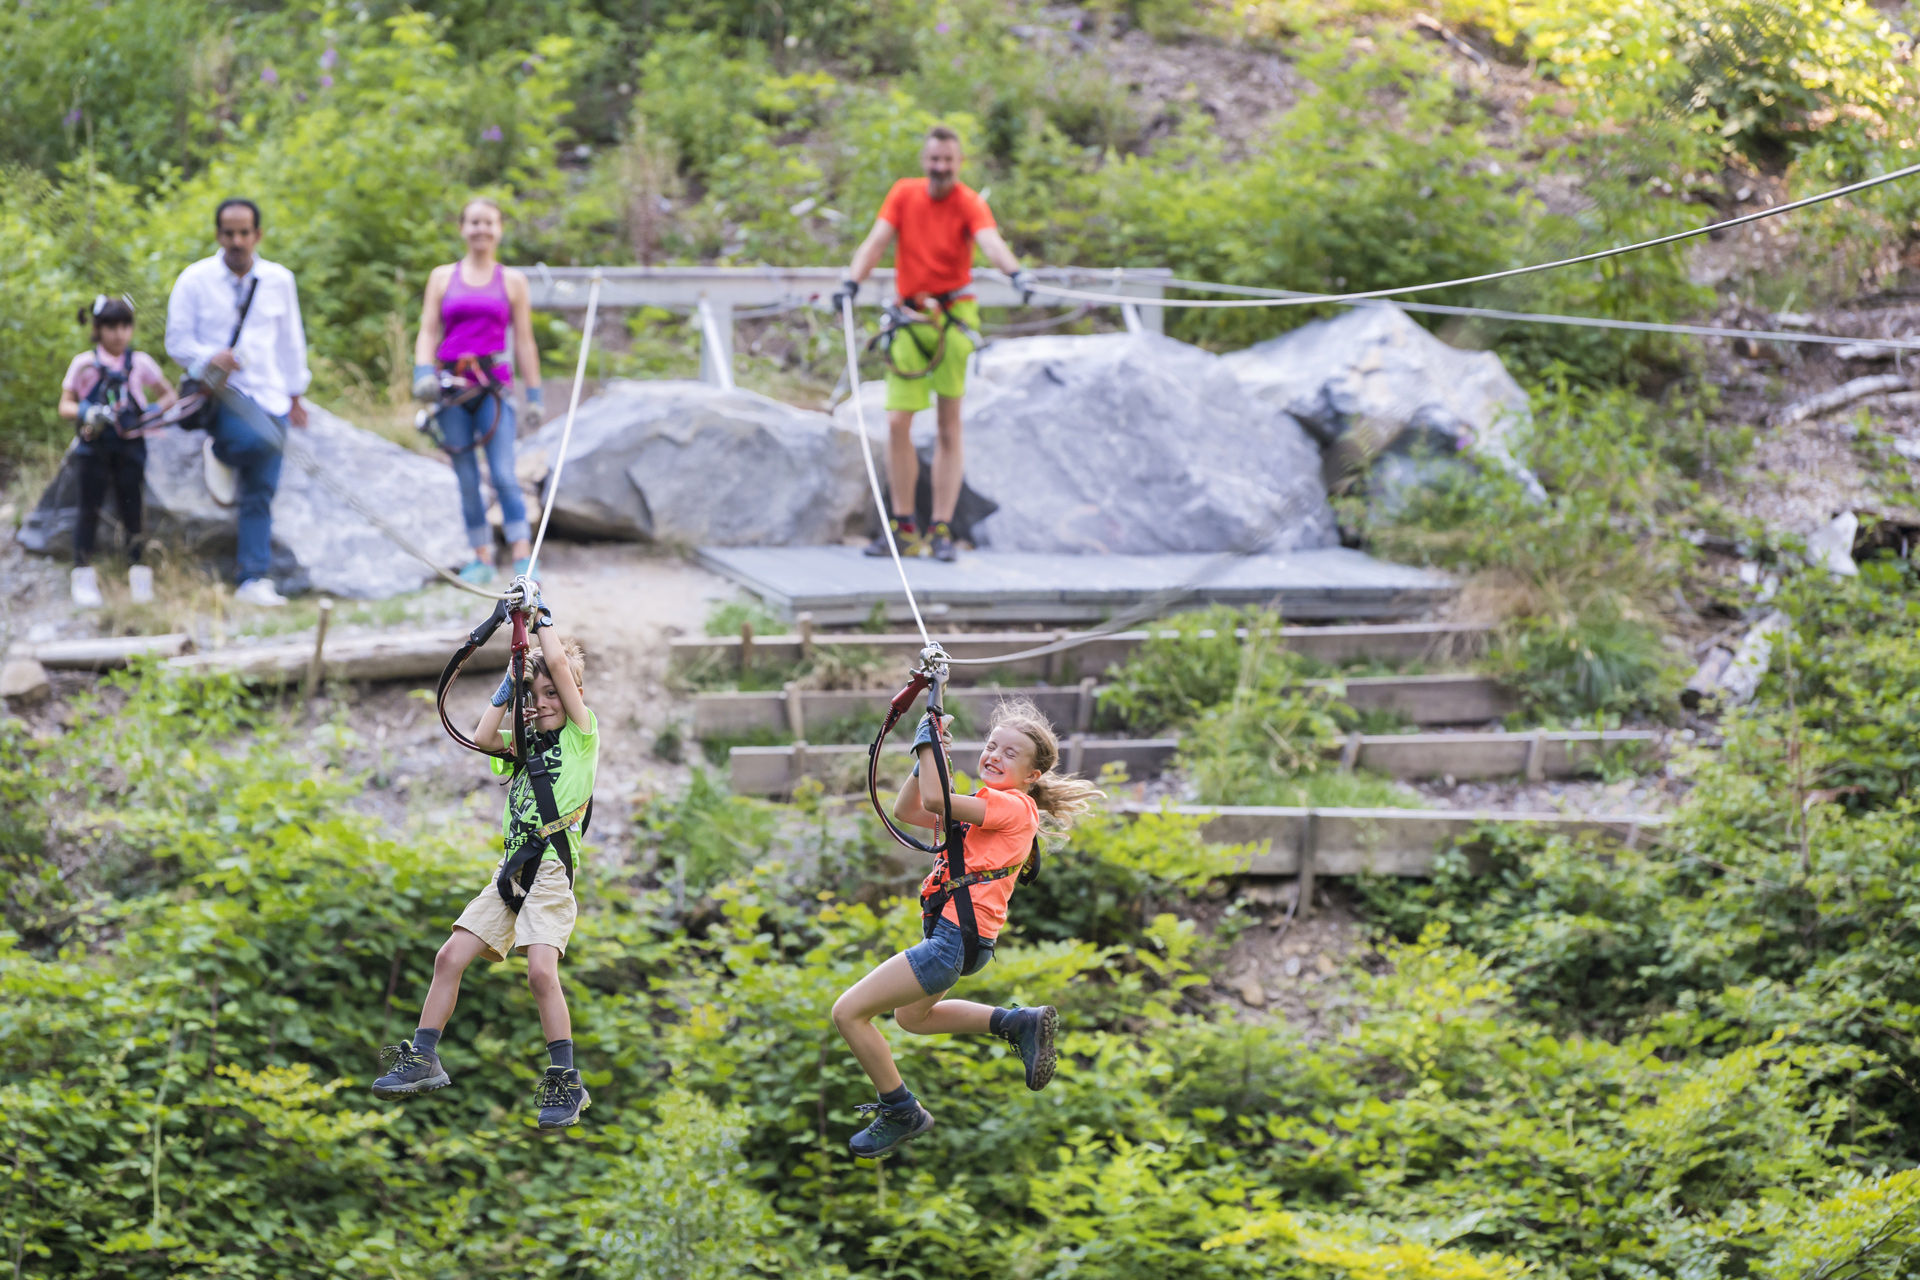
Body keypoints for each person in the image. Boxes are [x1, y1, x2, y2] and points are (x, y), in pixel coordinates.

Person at [829, 698, 1102, 1159]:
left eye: (1009, 754)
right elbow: (909, 809)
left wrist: (928, 744)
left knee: (847, 1013)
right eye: (992, 746)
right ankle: (1014, 1022)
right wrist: (929, 754)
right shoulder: (983, 811)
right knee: (911, 1017)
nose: (994, 755)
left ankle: (900, 1109)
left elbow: (936, 800)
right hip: (965, 941)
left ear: (1032, 777)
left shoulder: (1014, 808)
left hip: (952, 940)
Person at [372, 610, 598, 1130]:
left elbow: (559, 663)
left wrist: (540, 618)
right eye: (534, 698)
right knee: (449, 955)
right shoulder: (523, 749)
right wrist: (507, 687)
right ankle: (424, 1055)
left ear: (572, 698)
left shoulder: (582, 740)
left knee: (541, 972)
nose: (543, 704)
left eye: (552, 695)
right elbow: (480, 735)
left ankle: (565, 1079)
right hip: (511, 870)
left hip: (549, 875)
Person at [833, 125, 1036, 563]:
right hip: (909, 318)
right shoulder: (904, 195)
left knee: (948, 425)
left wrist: (1015, 273)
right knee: (896, 423)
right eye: (934, 160)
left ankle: (941, 529)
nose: (941, 168)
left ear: (959, 163)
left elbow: (990, 242)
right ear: (925, 161)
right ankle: (904, 528)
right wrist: (851, 282)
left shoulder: (969, 203)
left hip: (952, 320)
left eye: (948, 160)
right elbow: (876, 242)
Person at [165, 197, 312, 608]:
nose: (236, 240)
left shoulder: (278, 279)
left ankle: (253, 576)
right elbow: (176, 341)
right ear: (218, 235)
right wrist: (209, 357)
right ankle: (221, 448)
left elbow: (290, 340)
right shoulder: (194, 280)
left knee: (261, 488)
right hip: (220, 396)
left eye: (244, 232)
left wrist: (297, 394)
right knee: (258, 444)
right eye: (229, 232)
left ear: (257, 235)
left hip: (270, 394)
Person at [412, 198, 545, 584]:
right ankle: (482, 557)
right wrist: (423, 371)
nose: (481, 230)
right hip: (451, 390)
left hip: (493, 390)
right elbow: (428, 329)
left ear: (499, 229)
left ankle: (522, 554)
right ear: (462, 228)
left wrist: (534, 395)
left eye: (488, 222)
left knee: (503, 473)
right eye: (474, 222)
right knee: (467, 478)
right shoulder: (441, 277)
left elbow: (524, 341)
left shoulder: (512, 281)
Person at [57, 294, 176, 608]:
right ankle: (82, 574)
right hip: (93, 447)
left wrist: (147, 413)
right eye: (111, 326)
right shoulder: (84, 364)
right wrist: (87, 412)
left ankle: (139, 573)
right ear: (98, 328)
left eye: (125, 326)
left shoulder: (140, 363)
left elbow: (168, 395)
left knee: (132, 508)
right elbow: (64, 405)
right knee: (88, 508)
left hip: (131, 445)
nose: (119, 333)